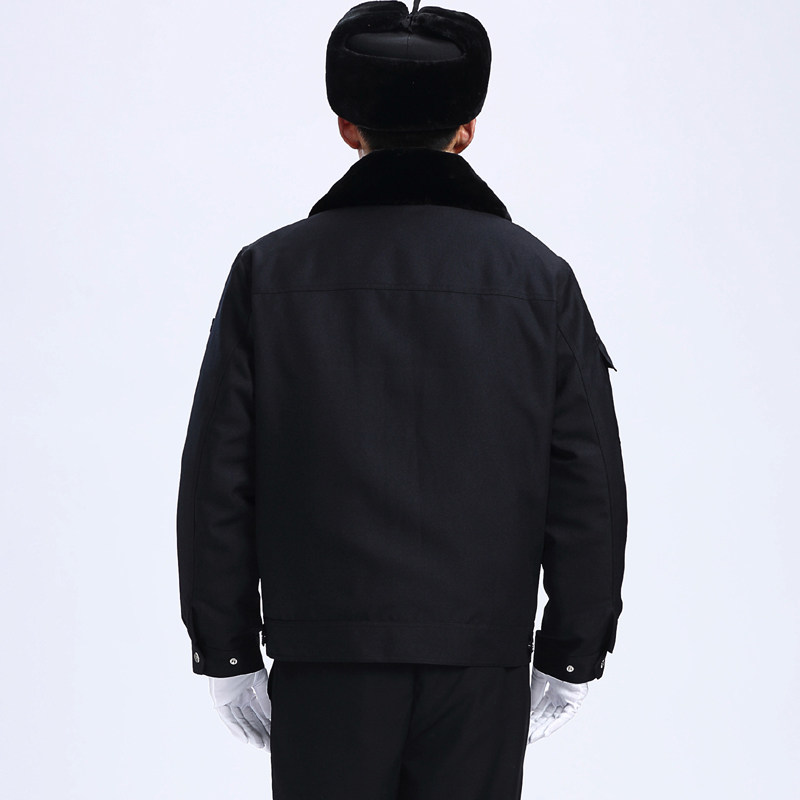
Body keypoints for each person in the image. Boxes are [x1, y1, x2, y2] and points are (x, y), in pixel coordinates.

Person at [176, 2, 628, 798]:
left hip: (325, 658)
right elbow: (586, 483)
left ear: (347, 127)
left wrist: (228, 649)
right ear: (468, 130)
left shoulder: (270, 273)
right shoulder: (538, 278)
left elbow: (219, 476)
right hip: (479, 661)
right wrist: (571, 650)